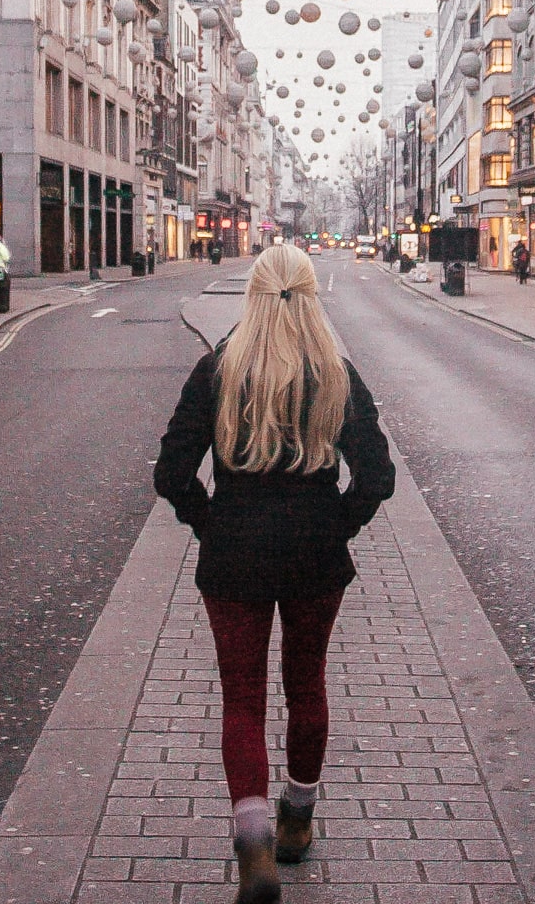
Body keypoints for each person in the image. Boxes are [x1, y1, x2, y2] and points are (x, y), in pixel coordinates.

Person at [154, 245, 395, 904]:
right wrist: (335, 523)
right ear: (311, 297)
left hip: (234, 553)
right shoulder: (336, 374)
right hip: (315, 554)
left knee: (243, 699)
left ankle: (254, 844)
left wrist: (209, 521)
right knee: (307, 684)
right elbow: (377, 476)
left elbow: (170, 474)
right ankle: (298, 818)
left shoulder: (217, 372)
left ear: (252, 298)